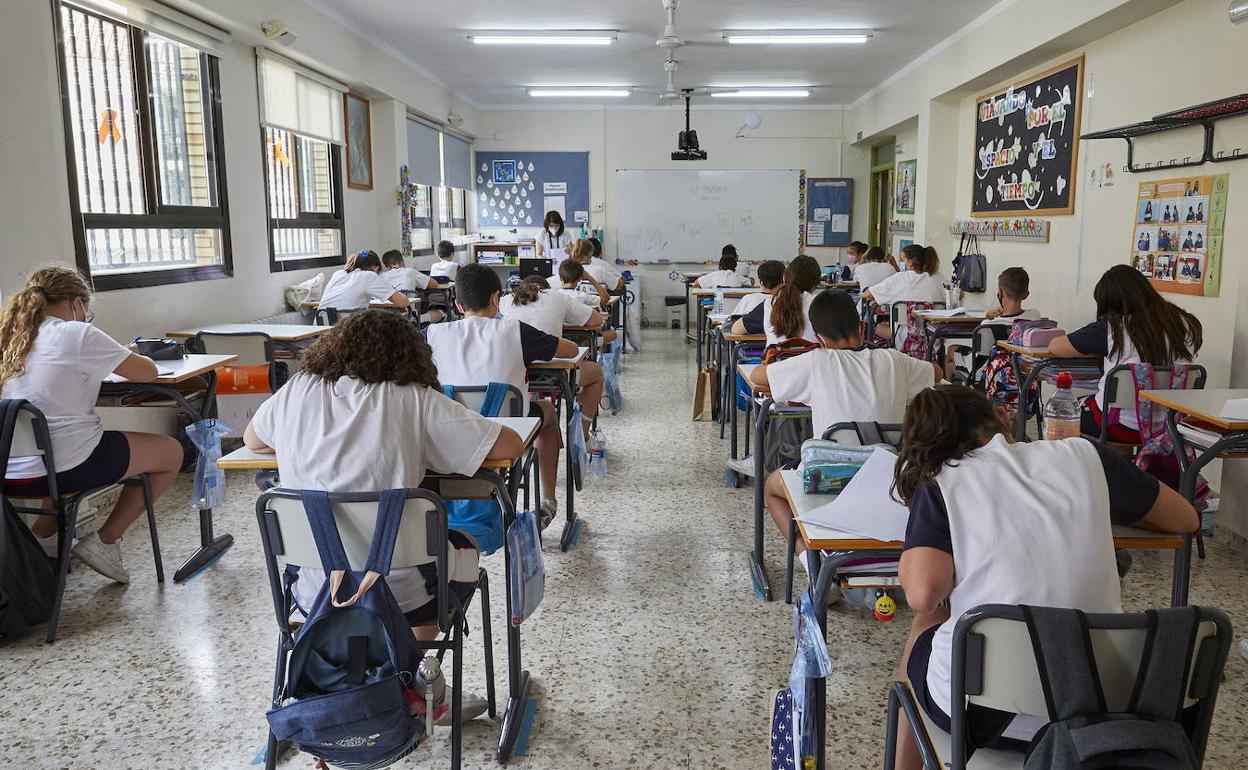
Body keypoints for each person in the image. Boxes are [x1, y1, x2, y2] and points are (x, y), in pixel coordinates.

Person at [890, 385, 1198, 770]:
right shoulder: (1086, 455)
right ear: (1002, 419)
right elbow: (1185, 517)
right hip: (1097, 703)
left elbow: (923, 593)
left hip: (985, 713)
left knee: (927, 622)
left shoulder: (941, 481)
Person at [243, 311, 521, 723]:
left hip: (312, 590)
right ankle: (414, 684)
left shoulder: (296, 391)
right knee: (461, 545)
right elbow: (509, 445)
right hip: (405, 595)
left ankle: (333, 693)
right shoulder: (413, 398)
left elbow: (253, 440)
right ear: (411, 356)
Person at [0, 267, 184, 582]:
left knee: (54, 445)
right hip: (68, 467)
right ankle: (105, 541)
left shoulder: (9, 340)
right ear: (76, 304)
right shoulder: (76, 333)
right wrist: (127, 353)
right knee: (171, 453)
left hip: (12, 474)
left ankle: (45, 539)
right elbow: (148, 373)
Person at [748, 291, 938, 562]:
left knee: (771, 487)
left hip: (829, 477)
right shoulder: (895, 360)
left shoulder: (816, 362)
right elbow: (936, 373)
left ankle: (810, 563)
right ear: (861, 327)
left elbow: (757, 376)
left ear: (820, 339)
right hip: (892, 474)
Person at [427, 264, 578, 529]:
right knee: (548, 411)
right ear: (497, 298)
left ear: (458, 304)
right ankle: (548, 502)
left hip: (451, 433)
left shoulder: (432, 334)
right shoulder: (515, 331)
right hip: (508, 431)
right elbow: (569, 350)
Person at [1048, 265, 1202, 444]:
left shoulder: (1112, 328)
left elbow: (1055, 347)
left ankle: (1091, 467)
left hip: (1116, 425)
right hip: (1170, 427)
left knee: (1060, 412)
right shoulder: (1185, 323)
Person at [499, 276, 608, 435]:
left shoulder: (505, 300)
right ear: (546, 289)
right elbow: (596, 319)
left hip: (513, 376)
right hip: (553, 375)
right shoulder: (558, 297)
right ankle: (581, 434)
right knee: (596, 373)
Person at [943, 267, 1040, 379]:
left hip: (989, 371)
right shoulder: (1034, 316)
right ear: (1026, 294)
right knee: (954, 364)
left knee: (951, 350)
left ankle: (951, 389)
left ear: (1000, 292)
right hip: (1023, 370)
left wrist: (988, 318)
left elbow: (979, 353)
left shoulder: (987, 325)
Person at [861, 244, 946, 346]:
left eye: (904, 260)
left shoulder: (899, 279)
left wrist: (874, 298)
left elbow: (867, 294)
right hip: (935, 335)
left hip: (905, 337)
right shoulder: (940, 278)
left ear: (910, 262)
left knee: (879, 328)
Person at [732, 255, 821, 345]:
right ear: (815, 286)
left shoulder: (770, 303)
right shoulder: (821, 305)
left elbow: (736, 329)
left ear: (784, 278)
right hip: (812, 358)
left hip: (777, 359)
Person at [319, 250, 410, 312]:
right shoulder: (369, 275)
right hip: (347, 331)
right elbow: (403, 302)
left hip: (322, 329)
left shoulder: (338, 274)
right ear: (375, 268)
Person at [380, 250, 445, 323]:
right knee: (441, 313)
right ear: (403, 262)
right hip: (409, 317)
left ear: (386, 265)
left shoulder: (381, 276)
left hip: (385, 318)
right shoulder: (410, 272)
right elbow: (434, 283)